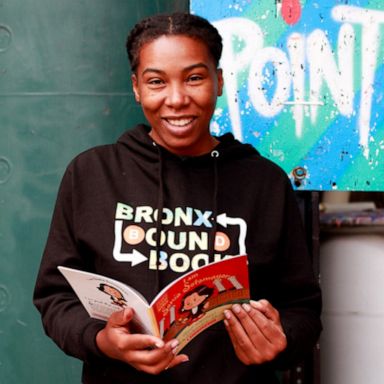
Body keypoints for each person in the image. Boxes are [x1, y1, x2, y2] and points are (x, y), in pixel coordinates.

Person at [33, 12, 321, 384]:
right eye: (156, 82)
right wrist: (102, 340)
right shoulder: (91, 174)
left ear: (218, 81)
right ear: (136, 88)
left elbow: (304, 309)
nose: (177, 99)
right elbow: (55, 297)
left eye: (195, 78)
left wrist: (282, 339)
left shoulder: (264, 182)